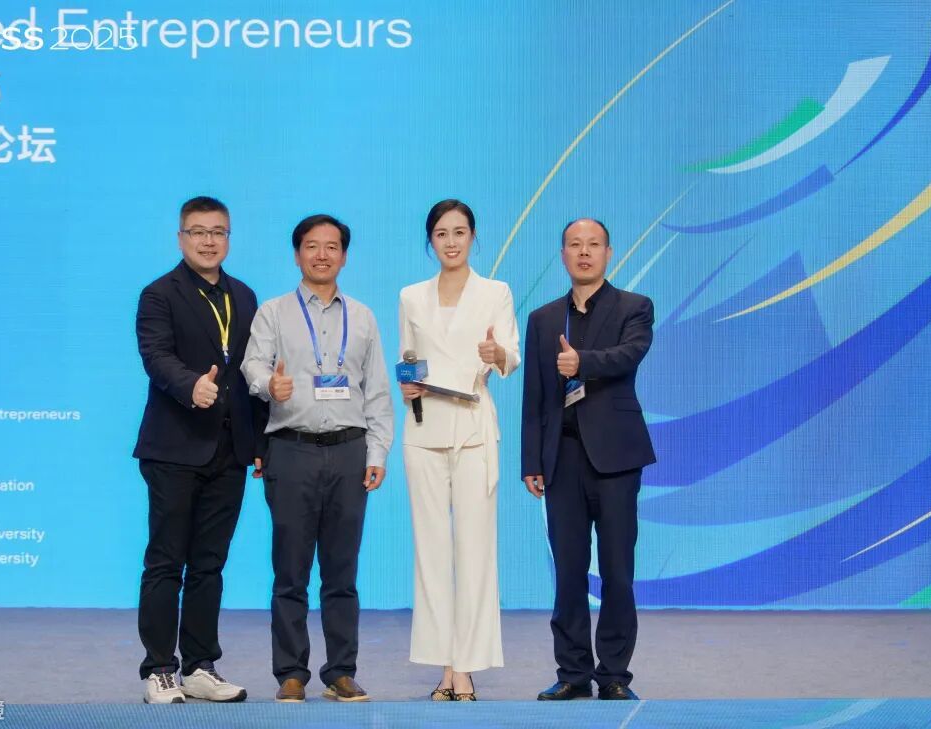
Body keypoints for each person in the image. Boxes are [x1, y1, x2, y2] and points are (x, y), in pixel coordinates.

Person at [241, 213, 394, 703]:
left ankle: (341, 671)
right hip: (291, 450)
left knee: (342, 573)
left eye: (332, 246)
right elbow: (251, 364)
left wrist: (377, 451)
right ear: (297, 254)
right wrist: (270, 384)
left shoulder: (363, 317)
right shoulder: (273, 312)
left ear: (344, 256)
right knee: (290, 572)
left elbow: (377, 391)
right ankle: (290, 673)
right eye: (312, 245)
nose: (322, 254)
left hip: (349, 452)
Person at [133, 195, 267, 704]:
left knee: (209, 565)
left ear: (228, 238)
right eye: (198, 232)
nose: (208, 241)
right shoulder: (159, 295)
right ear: (181, 238)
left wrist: (258, 441)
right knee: (166, 562)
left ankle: (199, 665)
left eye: (218, 232)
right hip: (174, 448)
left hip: (229, 451)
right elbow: (156, 356)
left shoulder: (244, 296)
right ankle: (159, 669)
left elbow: (251, 373)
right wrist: (191, 385)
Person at [520, 218, 656, 701]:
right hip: (562, 459)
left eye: (593, 244)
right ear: (563, 255)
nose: (584, 252)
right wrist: (531, 460)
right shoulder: (543, 319)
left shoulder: (634, 307)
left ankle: (614, 674)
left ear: (608, 253)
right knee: (568, 572)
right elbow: (535, 396)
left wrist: (583, 362)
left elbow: (629, 355)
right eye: (575, 245)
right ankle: (573, 672)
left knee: (617, 571)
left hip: (616, 458)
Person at [397, 199, 519, 701]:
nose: (451, 241)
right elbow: (407, 359)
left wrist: (497, 353)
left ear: (473, 237)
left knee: (474, 550)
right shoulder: (411, 296)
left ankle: (465, 668)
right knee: (430, 551)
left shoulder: (495, 292)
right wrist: (405, 384)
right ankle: (445, 663)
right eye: (442, 233)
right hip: (424, 429)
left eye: (460, 232)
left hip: (473, 428)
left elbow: (510, 356)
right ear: (431, 241)